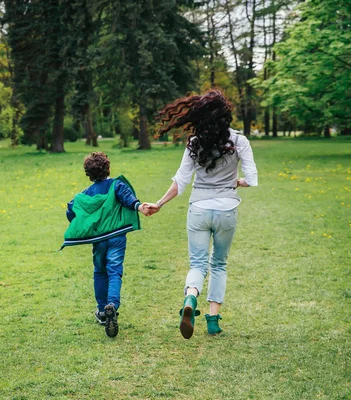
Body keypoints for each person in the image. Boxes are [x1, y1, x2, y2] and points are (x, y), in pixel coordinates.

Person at [146, 89, 258, 339]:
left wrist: (160, 203)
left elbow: (181, 181)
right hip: (226, 210)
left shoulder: (194, 143)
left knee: (197, 263)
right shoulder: (239, 141)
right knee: (219, 263)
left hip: (198, 209)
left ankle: (190, 298)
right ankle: (213, 320)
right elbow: (251, 178)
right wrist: (237, 182)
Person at [62, 152, 151, 338]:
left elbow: (72, 209)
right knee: (115, 271)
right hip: (117, 236)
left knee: (100, 272)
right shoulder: (117, 185)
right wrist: (139, 206)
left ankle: (103, 312)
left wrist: (81, 221)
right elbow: (128, 199)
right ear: (108, 168)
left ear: (89, 174)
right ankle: (112, 305)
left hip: (99, 240)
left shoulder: (86, 194)